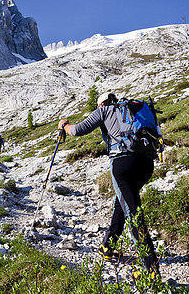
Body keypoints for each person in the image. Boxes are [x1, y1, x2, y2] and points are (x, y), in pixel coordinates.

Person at [58, 92, 159, 276]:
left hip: (122, 163)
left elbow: (77, 130)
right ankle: (107, 246)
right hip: (146, 164)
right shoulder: (131, 110)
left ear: (101, 104)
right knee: (123, 203)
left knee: (134, 214)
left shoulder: (104, 111)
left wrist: (64, 125)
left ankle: (151, 271)